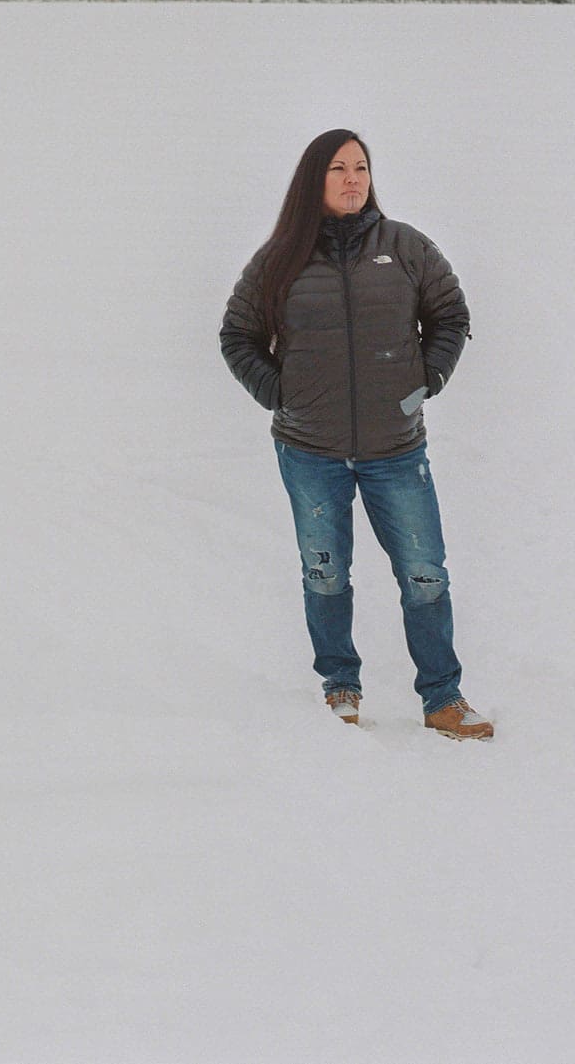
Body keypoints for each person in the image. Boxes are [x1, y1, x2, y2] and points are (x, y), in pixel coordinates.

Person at [219, 128, 493, 739]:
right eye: (339, 168)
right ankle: (340, 687)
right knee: (325, 571)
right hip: (309, 450)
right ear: (313, 179)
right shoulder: (278, 260)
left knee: (425, 573)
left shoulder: (405, 247)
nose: (352, 179)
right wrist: (278, 392)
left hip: (395, 450)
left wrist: (428, 378)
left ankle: (442, 698)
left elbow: (450, 315)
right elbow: (236, 335)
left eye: (361, 168)